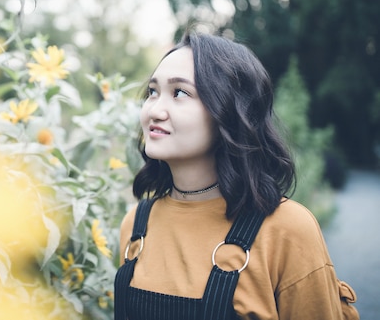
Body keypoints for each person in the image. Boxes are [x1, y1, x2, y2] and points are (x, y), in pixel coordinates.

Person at [114, 30, 359, 320]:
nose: (154, 110)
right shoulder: (136, 225)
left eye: (179, 92)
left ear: (229, 111)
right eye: (152, 92)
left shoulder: (287, 230)